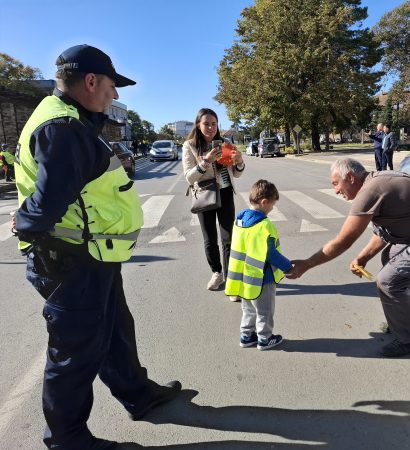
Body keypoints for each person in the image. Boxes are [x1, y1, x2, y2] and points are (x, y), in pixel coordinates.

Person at [13, 44, 181, 450]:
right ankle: (68, 440)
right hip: (72, 261)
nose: (115, 95)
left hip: (93, 255)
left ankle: (137, 393)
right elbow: (47, 203)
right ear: (90, 81)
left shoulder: (68, 120)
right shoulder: (63, 127)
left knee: (115, 330)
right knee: (74, 351)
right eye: (111, 85)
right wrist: (28, 229)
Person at [287, 158, 410, 357]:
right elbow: (382, 232)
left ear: (350, 177)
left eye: (336, 184)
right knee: (389, 258)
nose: (336, 190)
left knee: (389, 280)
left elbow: (343, 241)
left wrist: (307, 264)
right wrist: (363, 257)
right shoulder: (373, 184)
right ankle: (403, 321)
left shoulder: (370, 191)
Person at [182, 108, 245, 293]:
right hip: (204, 194)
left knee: (228, 239)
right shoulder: (190, 146)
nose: (210, 127)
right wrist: (206, 161)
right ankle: (217, 273)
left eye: (213, 124)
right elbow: (189, 178)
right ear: (198, 125)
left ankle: (232, 280)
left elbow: (237, 173)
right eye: (206, 123)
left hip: (225, 192)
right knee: (210, 239)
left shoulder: (225, 143)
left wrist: (239, 161)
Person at [225, 179, 292, 350]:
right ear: (264, 202)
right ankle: (265, 338)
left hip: (245, 276)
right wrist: (288, 267)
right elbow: (271, 254)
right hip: (264, 277)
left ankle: (246, 336)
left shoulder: (240, 221)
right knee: (265, 310)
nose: (272, 208)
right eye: (272, 205)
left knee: (248, 309)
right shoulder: (264, 225)